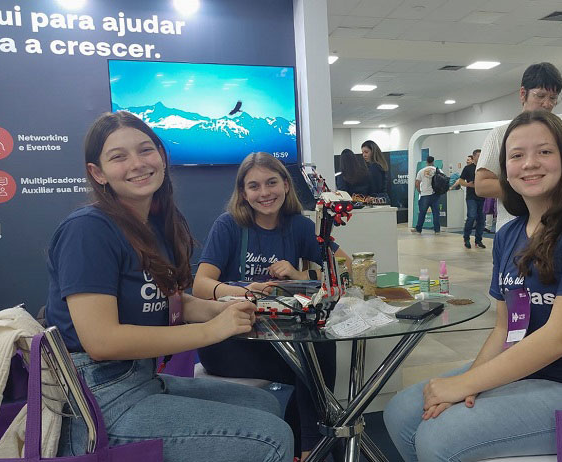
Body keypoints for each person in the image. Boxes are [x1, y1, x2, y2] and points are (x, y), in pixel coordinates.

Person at [384, 110, 562, 460]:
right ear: (505, 167)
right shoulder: (509, 235)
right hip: (526, 372)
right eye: (517, 155)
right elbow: (505, 326)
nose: (529, 164)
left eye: (544, 152)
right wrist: (471, 382)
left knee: (440, 437)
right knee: (400, 413)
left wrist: (467, 384)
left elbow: (560, 337)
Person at [45, 112, 293, 461]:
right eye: (118, 156)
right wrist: (212, 330)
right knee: (272, 437)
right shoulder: (88, 230)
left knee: (265, 402)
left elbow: (173, 302)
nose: (137, 163)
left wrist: (228, 308)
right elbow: (101, 342)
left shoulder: (155, 225)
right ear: (97, 173)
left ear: (161, 156)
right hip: (99, 399)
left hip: (141, 379)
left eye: (146, 150)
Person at [192, 152, 341, 459]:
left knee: (318, 348)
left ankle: (306, 444)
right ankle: (314, 444)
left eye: (272, 182)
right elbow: (201, 284)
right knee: (311, 365)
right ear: (243, 192)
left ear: (286, 185)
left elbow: (344, 267)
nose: (265, 193)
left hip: (282, 335)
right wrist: (245, 290)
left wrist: (299, 275)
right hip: (231, 341)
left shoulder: (298, 226)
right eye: (254, 186)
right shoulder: (229, 225)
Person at [475, 62, 562, 233]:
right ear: (523, 94)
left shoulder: (561, 135)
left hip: (555, 229)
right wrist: (529, 184)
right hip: (514, 230)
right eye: (540, 95)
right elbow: (482, 185)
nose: (547, 104)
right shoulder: (500, 135)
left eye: (553, 98)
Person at [456, 149, 486, 248]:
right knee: (471, 217)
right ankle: (466, 238)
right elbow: (460, 180)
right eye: (478, 156)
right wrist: (468, 185)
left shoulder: (484, 168)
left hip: (482, 196)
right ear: (474, 157)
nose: (480, 158)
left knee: (481, 219)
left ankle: (478, 240)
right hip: (471, 197)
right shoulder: (468, 168)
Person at [413, 155, 442, 234]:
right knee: (436, 213)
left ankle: (419, 229)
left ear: (426, 162)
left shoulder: (421, 171)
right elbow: (443, 181)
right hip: (435, 194)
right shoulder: (438, 170)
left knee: (422, 213)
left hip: (424, 194)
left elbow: (417, 183)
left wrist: (419, 190)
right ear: (433, 162)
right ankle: (437, 230)